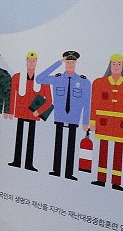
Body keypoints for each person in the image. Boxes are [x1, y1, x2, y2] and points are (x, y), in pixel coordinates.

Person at [35, 50, 90, 180]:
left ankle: (68, 173)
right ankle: (56, 170)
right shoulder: (57, 78)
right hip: (59, 116)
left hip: (74, 118)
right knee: (58, 144)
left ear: (76, 63)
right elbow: (39, 79)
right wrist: (58, 62)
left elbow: (87, 103)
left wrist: (85, 121)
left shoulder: (84, 82)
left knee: (71, 145)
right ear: (65, 63)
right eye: (67, 62)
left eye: (72, 62)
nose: (70, 65)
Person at [89, 53, 123, 191]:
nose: (116, 67)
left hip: (121, 123)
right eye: (114, 64)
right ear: (109, 65)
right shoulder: (99, 83)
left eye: (119, 64)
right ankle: (101, 178)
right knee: (103, 150)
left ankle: (116, 182)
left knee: (118, 151)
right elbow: (94, 103)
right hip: (104, 121)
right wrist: (92, 121)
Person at [5, 51, 51, 171]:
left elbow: (49, 101)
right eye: (29, 60)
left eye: (34, 60)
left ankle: (29, 163)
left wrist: (39, 111)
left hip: (33, 113)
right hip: (20, 111)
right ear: (26, 61)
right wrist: (10, 111)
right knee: (19, 137)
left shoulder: (42, 79)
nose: (31, 63)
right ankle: (17, 160)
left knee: (31, 138)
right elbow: (11, 95)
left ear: (36, 62)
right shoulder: (17, 77)